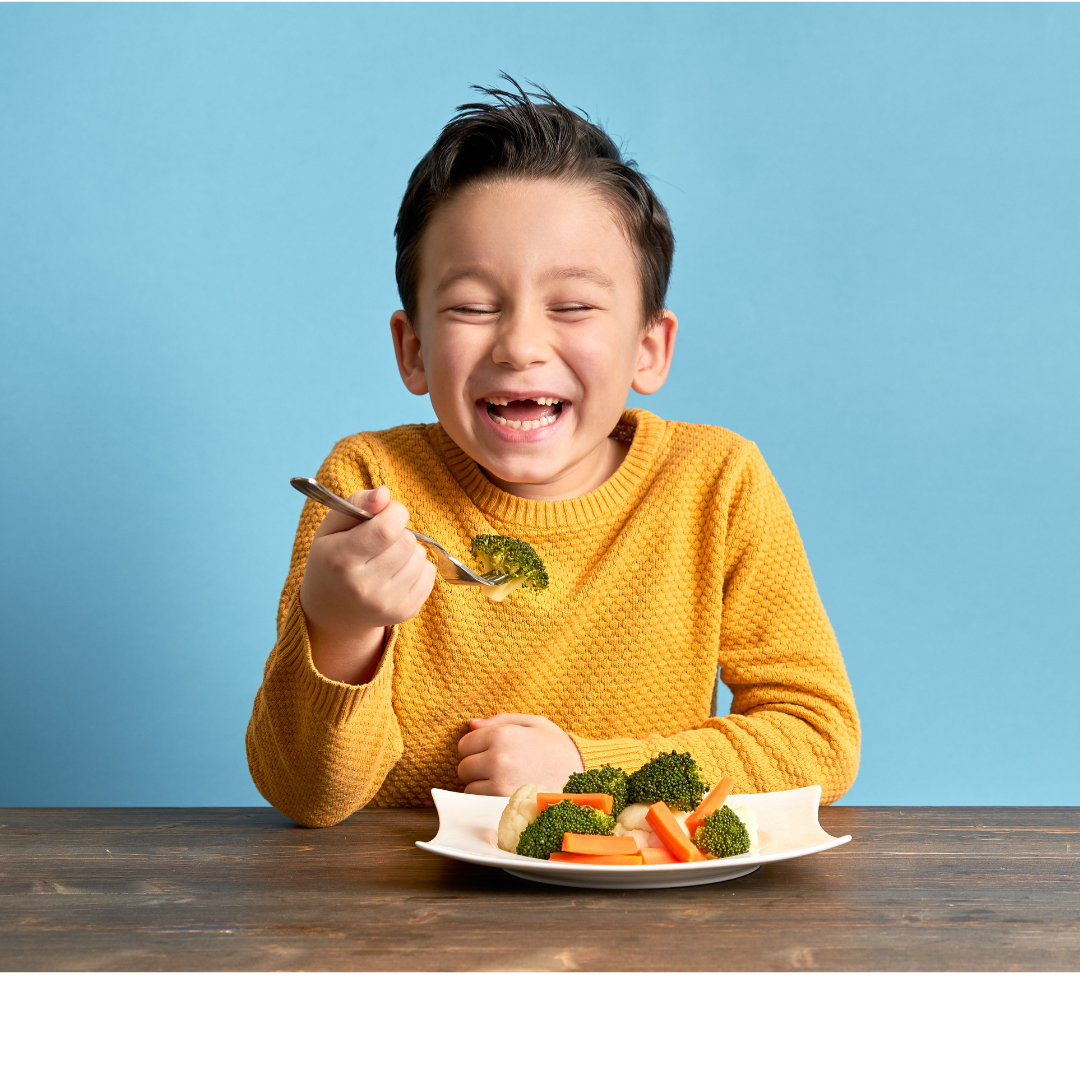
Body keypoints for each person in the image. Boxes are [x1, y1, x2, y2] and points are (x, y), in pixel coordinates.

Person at [246, 79, 859, 828]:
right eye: (473, 307)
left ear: (648, 348)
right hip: (406, 915)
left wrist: (585, 768)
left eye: (571, 306)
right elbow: (309, 798)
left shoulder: (717, 482)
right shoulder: (370, 484)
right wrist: (339, 627)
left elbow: (817, 738)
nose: (521, 346)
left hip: (637, 914)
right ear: (413, 351)